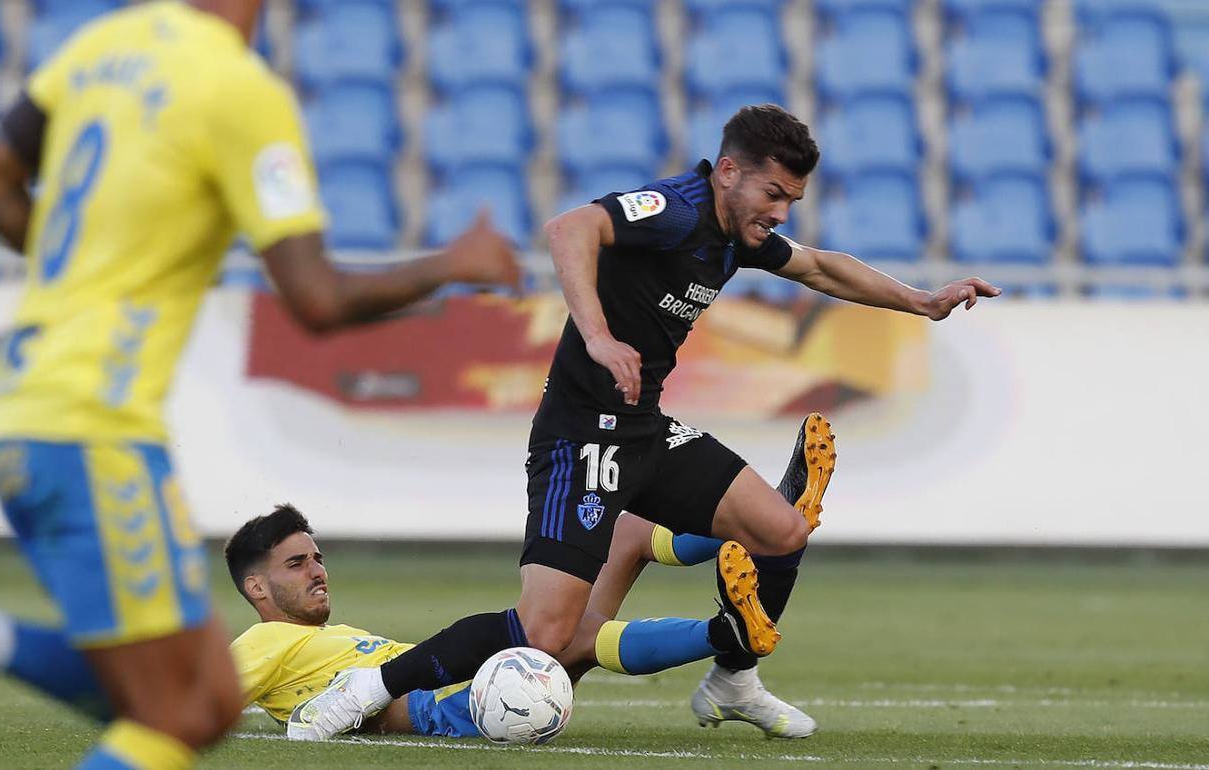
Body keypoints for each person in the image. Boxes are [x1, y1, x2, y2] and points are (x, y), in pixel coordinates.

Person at [275, 103, 1001, 742]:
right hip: (581, 436)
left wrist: (923, 300)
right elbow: (570, 229)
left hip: (644, 430)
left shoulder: (737, 233)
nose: (782, 212)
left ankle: (732, 678)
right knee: (547, 631)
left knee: (782, 529)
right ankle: (365, 691)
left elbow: (818, 268)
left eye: (793, 198)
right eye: (775, 193)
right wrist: (595, 334)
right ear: (727, 171)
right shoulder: (677, 208)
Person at [0, 1, 518, 767]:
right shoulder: (237, 88)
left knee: (210, 700)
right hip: (91, 425)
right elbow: (316, 299)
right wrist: (451, 266)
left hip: (19, 411)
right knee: (177, 708)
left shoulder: (98, 48)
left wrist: (89, 273)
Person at [225, 504, 794, 739]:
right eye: (297, 565)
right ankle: (727, 634)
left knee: (627, 533)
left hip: (473, 682)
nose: (318, 571)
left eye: (317, 558)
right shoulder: (264, 639)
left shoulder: (323, 638)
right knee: (569, 635)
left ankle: (754, 525)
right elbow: (197, 699)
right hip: (452, 702)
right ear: (256, 588)